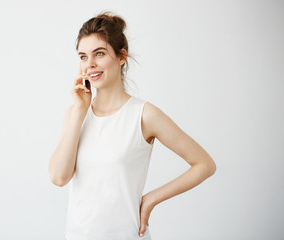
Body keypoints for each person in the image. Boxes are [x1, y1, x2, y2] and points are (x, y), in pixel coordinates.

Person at [48, 11, 216, 240]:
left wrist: (151, 199)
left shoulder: (144, 115)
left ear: (121, 57)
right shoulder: (75, 113)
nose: (90, 65)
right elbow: (59, 177)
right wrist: (80, 111)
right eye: (83, 57)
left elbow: (204, 164)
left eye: (99, 53)